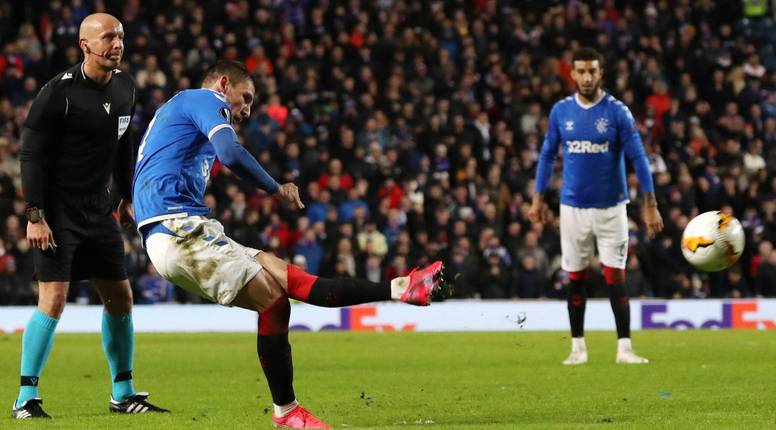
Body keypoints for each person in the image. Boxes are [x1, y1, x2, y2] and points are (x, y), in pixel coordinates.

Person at [132, 60, 445, 429]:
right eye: (246, 98)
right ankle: (287, 412)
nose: (247, 110)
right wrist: (276, 188)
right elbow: (230, 153)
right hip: (178, 229)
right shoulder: (205, 99)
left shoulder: (174, 109)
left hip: (178, 228)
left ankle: (400, 288)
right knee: (274, 300)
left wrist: (128, 202)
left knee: (283, 278)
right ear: (224, 83)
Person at [14, 13, 168, 419]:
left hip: (99, 211)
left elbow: (123, 144)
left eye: (121, 36)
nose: (117, 44)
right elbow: (29, 154)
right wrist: (35, 214)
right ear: (85, 45)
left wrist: (126, 197)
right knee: (53, 299)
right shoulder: (58, 93)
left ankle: (123, 393)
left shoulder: (125, 87)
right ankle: (25, 398)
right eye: (108, 37)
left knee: (120, 297)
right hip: (57, 212)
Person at [529, 47, 664, 365]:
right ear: (572, 74)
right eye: (581, 71)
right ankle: (577, 348)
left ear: (600, 73)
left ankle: (624, 348)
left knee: (615, 277)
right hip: (572, 209)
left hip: (611, 209)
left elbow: (638, 157)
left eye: (592, 71)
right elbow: (547, 155)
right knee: (575, 277)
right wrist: (537, 198)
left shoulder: (617, 112)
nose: (587, 77)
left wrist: (650, 204)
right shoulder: (561, 111)